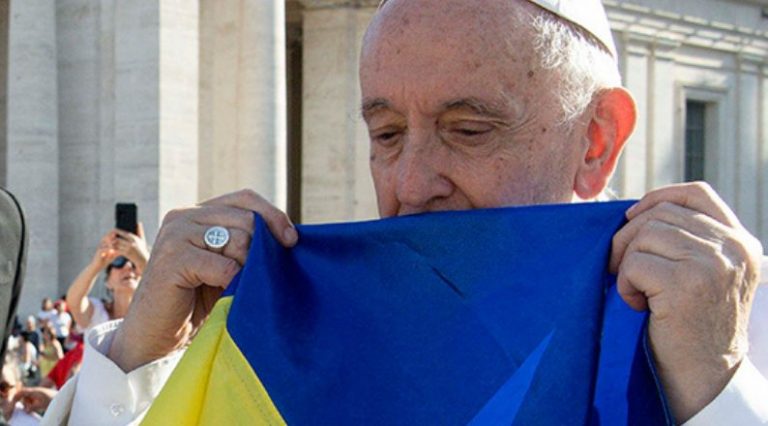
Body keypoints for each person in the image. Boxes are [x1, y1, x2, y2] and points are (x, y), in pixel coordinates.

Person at [43, 0, 768, 425]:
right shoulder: (295, 332)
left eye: (469, 129)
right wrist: (138, 360)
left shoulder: (733, 325)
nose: (412, 184)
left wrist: (716, 390)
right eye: (386, 134)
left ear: (597, 139)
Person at [65, 227, 147, 332]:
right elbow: (74, 301)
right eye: (119, 261)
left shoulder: (152, 315)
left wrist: (144, 261)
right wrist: (96, 265)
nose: (127, 266)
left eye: (134, 263)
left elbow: (167, 298)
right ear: (108, 282)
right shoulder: (97, 313)